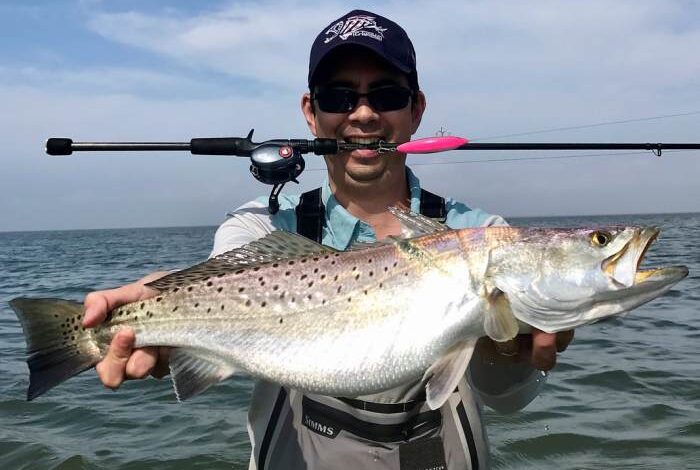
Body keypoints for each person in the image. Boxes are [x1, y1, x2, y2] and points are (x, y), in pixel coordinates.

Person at [82, 10, 574, 469]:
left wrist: (507, 351)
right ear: (310, 113)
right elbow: (224, 271)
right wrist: (155, 303)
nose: (363, 115)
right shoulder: (263, 225)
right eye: (339, 98)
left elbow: (507, 399)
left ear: (417, 110)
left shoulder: (485, 236)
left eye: (386, 95)